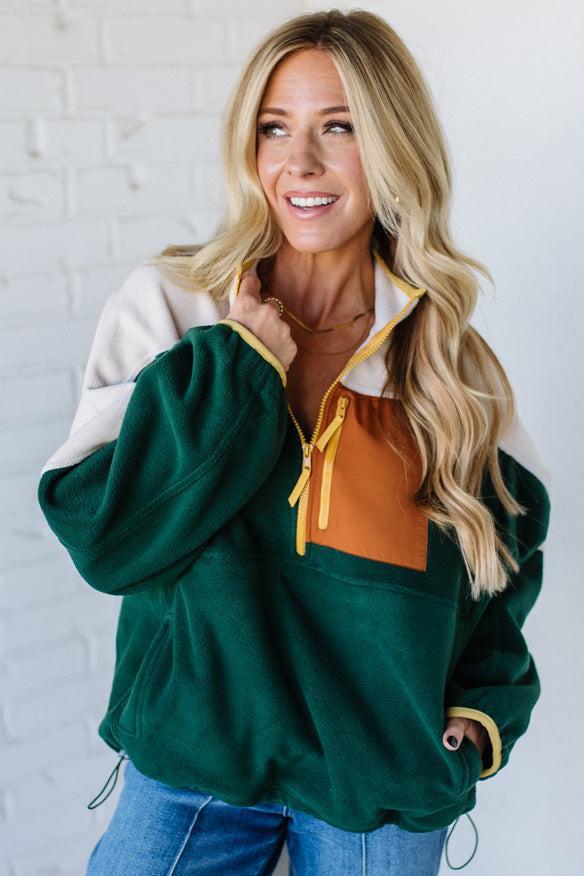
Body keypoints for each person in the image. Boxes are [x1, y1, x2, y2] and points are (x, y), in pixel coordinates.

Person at [37, 9, 551, 876]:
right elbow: (107, 540)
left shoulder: (446, 360)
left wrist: (483, 711)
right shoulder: (176, 307)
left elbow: (504, 558)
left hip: (379, 789)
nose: (299, 163)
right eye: (274, 128)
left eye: (338, 127)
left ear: (393, 146)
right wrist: (238, 366)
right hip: (192, 768)